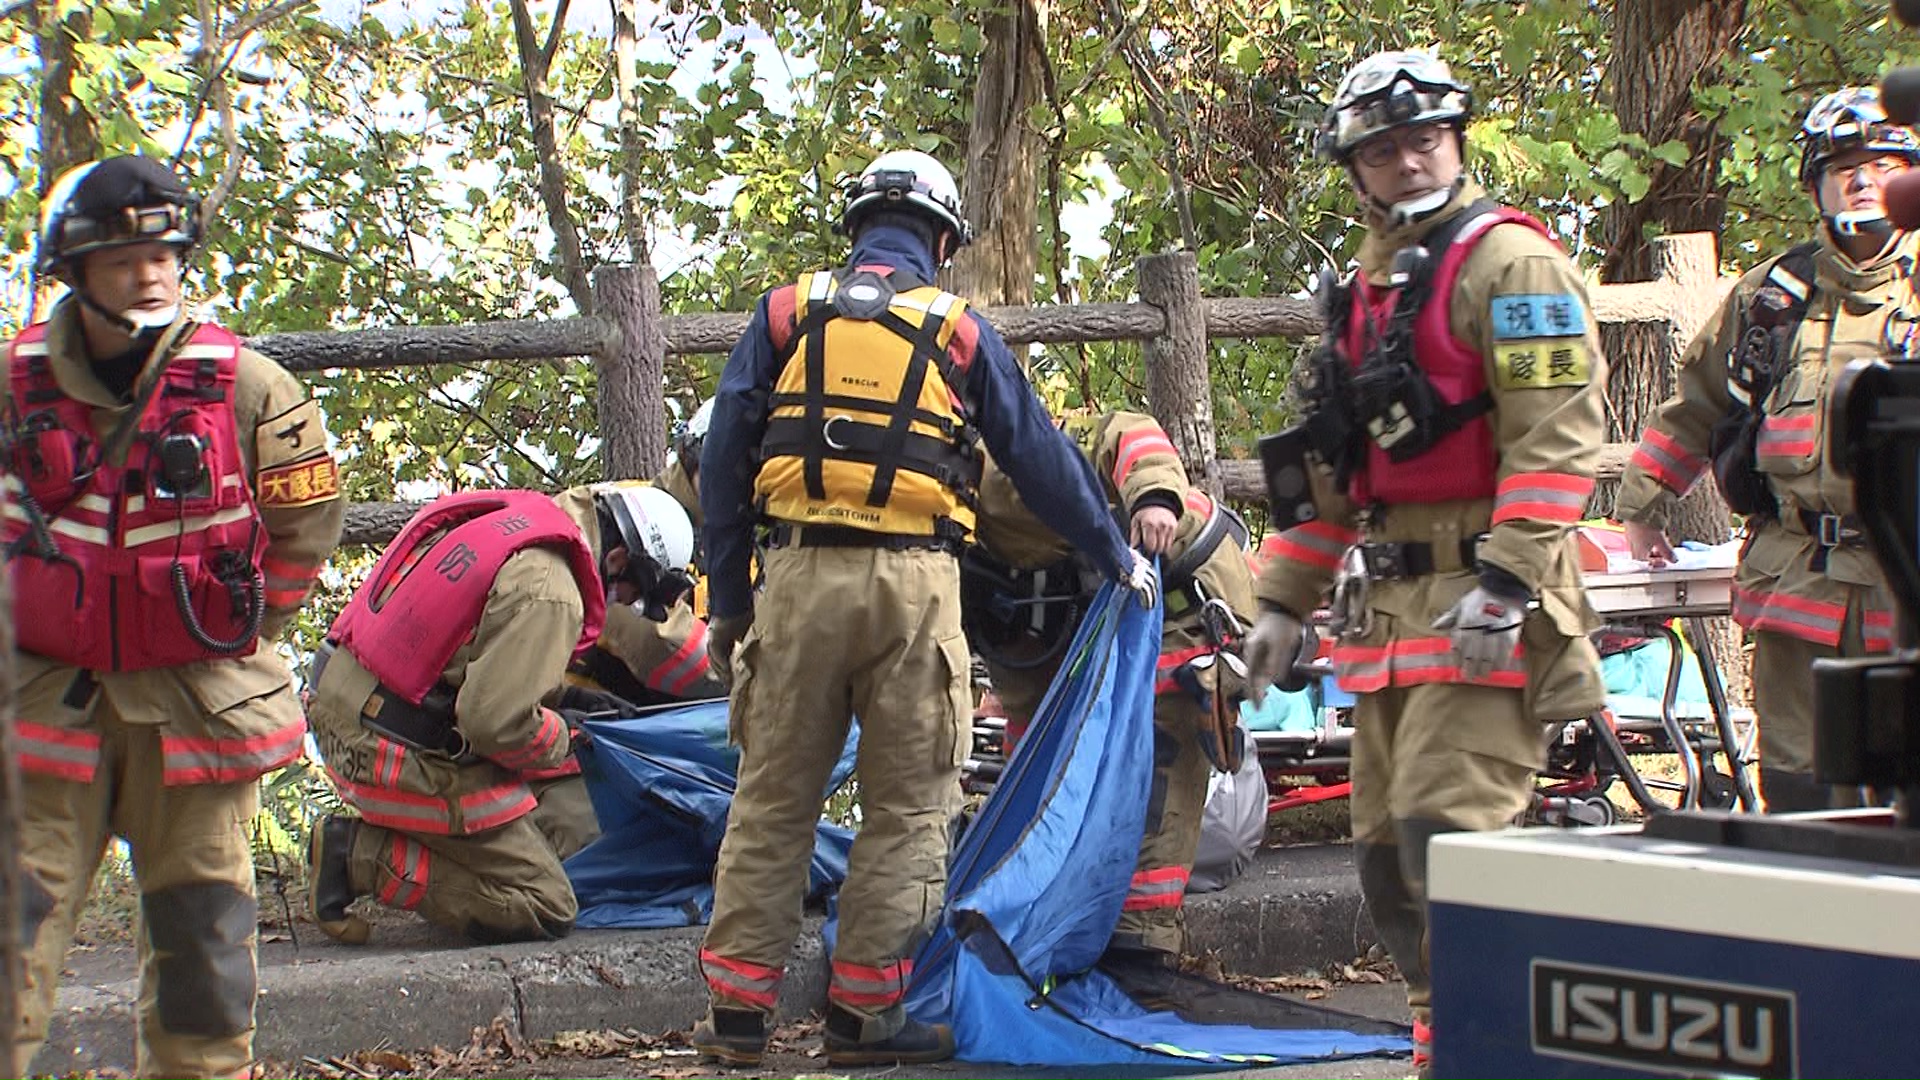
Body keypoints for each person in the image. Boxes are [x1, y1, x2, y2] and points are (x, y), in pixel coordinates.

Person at [692, 148, 1153, 1067]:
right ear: (940, 241)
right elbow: (1038, 454)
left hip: (796, 582)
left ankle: (738, 1022)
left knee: (773, 800)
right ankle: (865, 1018)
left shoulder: (785, 314)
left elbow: (725, 460)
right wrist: (1113, 555)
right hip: (914, 592)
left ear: (858, 227)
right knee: (908, 810)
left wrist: (732, 602)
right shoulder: (959, 331)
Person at [1240, 52, 1608, 1079]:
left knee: (1457, 843)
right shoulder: (1363, 289)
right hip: (1389, 614)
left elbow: (1558, 434)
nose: (1408, 162)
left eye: (1424, 141)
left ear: (1456, 139)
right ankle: (1447, 1045)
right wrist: (1281, 603)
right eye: (1384, 149)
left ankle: (1499, 1049)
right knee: (1389, 858)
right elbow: (1331, 469)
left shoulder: (1511, 264)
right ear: (1355, 168)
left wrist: (1510, 575)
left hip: (1485, 600)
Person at [2, 155, 345, 1078]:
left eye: (164, 255)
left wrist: (225, 634)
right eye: (121, 259)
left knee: (204, 966)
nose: (149, 276)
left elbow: (304, 536)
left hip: (197, 720)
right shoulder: (11, 387)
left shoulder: (250, 389)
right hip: (39, 715)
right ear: (74, 271)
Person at [1615, 86, 1920, 813]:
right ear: (1814, 182)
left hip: (1906, 583)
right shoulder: (1772, 298)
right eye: (1841, 164)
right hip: (1798, 581)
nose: (1861, 178)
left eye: (1881, 161)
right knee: (1799, 782)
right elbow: (1697, 405)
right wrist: (1641, 506)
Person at [304, 482, 695, 944]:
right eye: (631, 593)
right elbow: (493, 724)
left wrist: (567, 700)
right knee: (545, 904)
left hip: (338, 702)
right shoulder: (555, 592)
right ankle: (359, 856)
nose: (624, 605)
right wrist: (567, 736)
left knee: (528, 813)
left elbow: (466, 658)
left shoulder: (520, 522)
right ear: (616, 561)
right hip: (390, 747)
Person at [964, 409, 1257, 967]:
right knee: (1046, 757)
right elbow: (1032, 730)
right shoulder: (945, 539)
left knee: (1156, 753)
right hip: (1097, 601)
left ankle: (1144, 939)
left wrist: (1153, 498)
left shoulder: (1016, 457)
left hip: (1188, 590)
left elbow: (1129, 429)